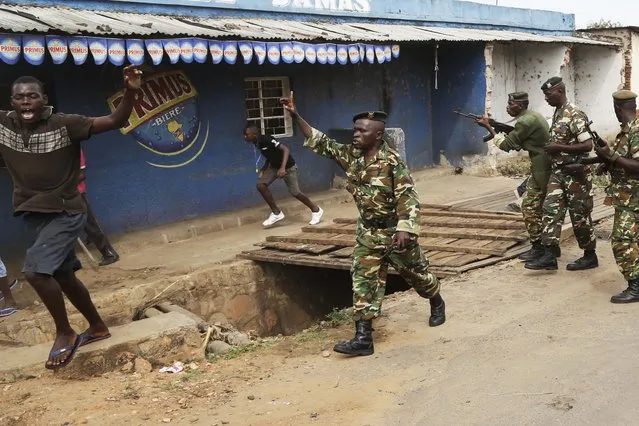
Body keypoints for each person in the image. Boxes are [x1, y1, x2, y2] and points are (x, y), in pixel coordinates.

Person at [280, 91, 445, 357]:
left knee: (417, 275)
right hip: (368, 232)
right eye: (354, 130)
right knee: (363, 280)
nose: (355, 135)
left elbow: (408, 196)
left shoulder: (392, 163)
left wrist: (405, 227)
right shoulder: (351, 156)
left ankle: (436, 300)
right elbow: (319, 141)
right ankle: (363, 338)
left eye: (362, 131)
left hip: (395, 232)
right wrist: (295, 115)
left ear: (377, 135)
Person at [0, 66, 141, 370]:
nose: (26, 102)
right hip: (33, 214)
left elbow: (117, 120)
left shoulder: (66, 124)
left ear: (44, 99)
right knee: (62, 275)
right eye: (20, 97)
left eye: (32, 96)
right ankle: (98, 326)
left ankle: (65, 331)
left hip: (66, 211)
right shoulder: (4, 124)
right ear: (12, 101)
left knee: (36, 272)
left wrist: (130, 90)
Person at [525, 76, 598, 271]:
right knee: (550, 211)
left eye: (548, 94)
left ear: (559, 91)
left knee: (579, 216)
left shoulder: (575, 114)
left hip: (576, 173)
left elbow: (588, 144)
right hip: (558, 173)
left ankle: (590, 255)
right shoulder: (557, 113)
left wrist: (558, 146)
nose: (546, 98)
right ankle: (549, 254)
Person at [476, 92, 551, 260]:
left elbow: (507, 145)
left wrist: (489, 127)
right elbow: (520, 142)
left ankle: (542, 249)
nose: (508, 107)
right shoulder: (531, 116)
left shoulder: (525, 121)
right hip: (542, 166)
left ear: (521, 105)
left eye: (511, 104)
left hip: (542, 167)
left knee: (533, 208)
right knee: (536, 207)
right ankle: (545, 248)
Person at [593, 90, 639, 303]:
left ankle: (636, 286)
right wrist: (607, 163)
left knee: (622, 241)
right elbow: (625, 160)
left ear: (617, 108)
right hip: (627, 196)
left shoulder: (636, 131)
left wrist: (611, 156)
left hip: (633, 198)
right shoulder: (627, 131)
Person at [244, 123, 323, 227]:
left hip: (288, 166)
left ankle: (316, 210)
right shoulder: (256, 142)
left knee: (295, 192)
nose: (245, 137)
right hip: (274, 166)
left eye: (247, 134)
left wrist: (282, 167)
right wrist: (264, 167)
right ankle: (276, 213)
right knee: (261, 185)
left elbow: (285, 149)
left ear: (254, 134)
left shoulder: (266, 139)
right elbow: (270, 154)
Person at [79, 149, 120, 266]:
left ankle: (109, 253)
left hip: (75, 193)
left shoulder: (73, 149)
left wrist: (61, 185)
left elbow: (81, 175)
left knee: (90, 225)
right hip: (61, 195)